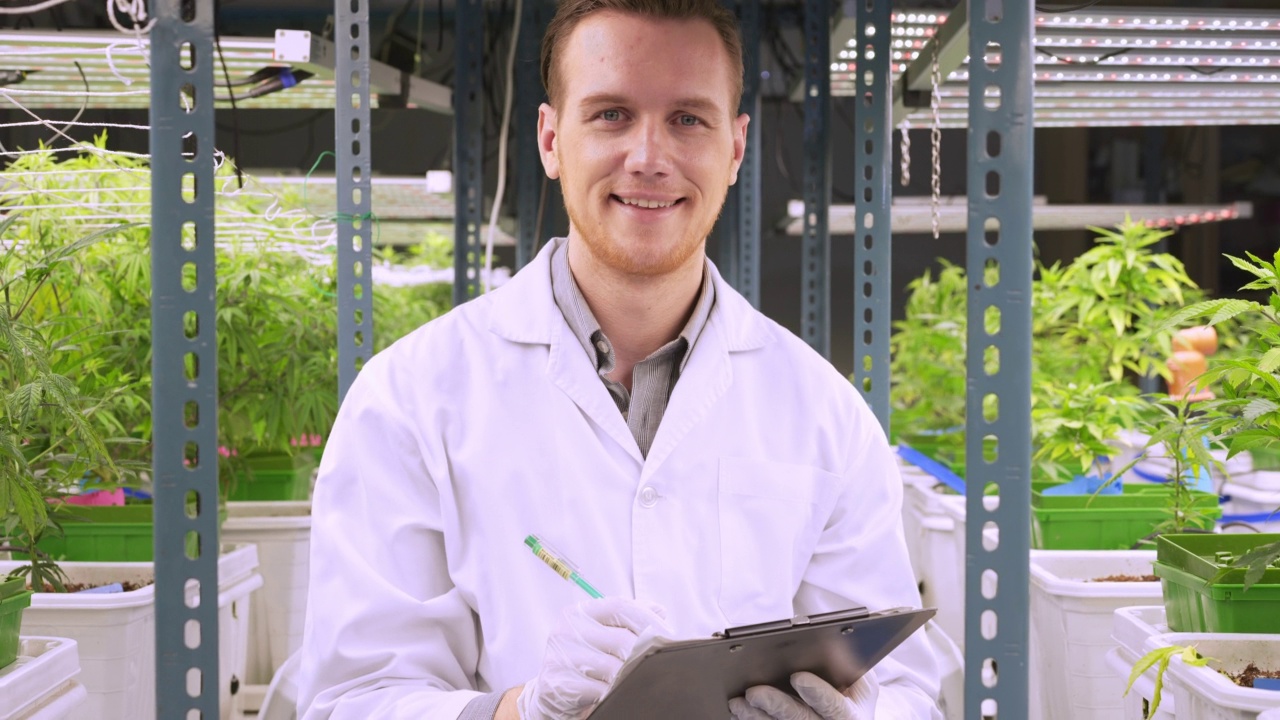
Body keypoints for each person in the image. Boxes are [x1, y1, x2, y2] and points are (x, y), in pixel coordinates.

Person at [296, 0, 942, 717]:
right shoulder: (412, 396)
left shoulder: (824, 413)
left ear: (734, 149)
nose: (649, 157)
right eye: (610, 114)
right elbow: (351, 699)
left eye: (688, 119)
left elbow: (907, 687)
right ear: (550, 139)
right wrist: (520, 710)